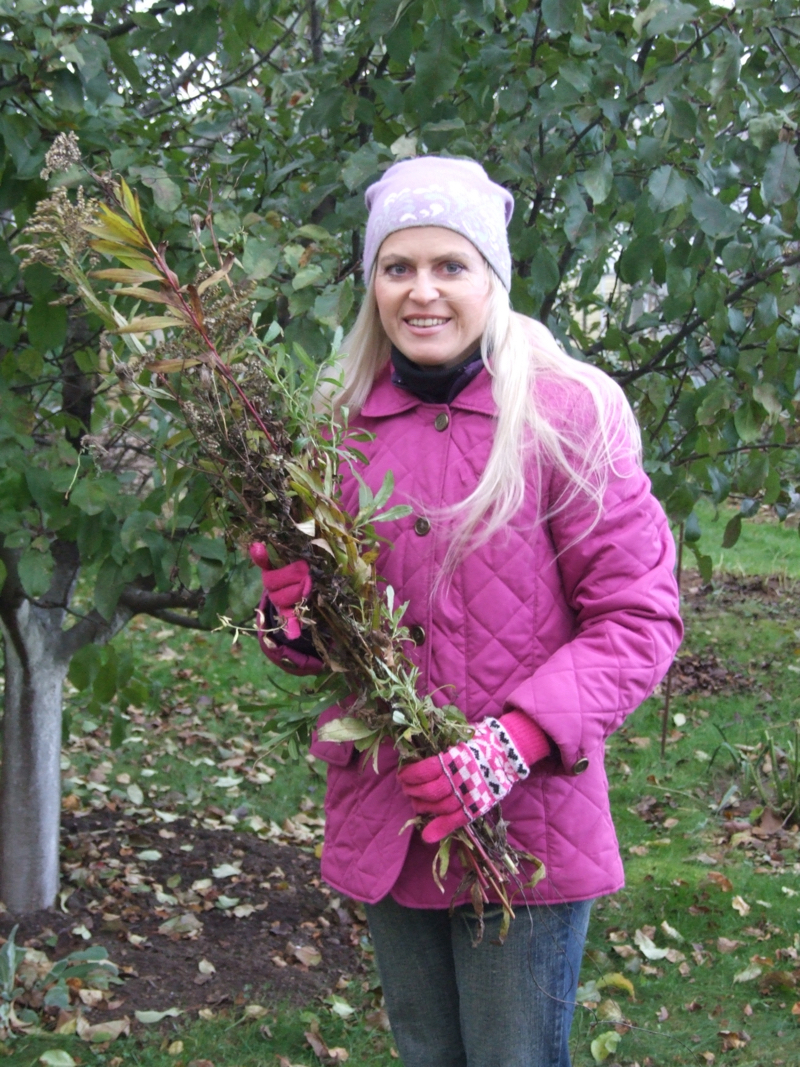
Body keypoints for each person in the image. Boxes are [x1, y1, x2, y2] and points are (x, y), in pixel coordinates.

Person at [251, 156, 683, 1067]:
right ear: (371, 282)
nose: (423, 292)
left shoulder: (568, 416)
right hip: (391, 814)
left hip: (525, 829)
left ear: (494, 276)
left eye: (451, 265)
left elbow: (639, 619)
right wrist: (291, 618)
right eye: (397, 267)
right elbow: (323, 647)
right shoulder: (336, 426)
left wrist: (510, 744)